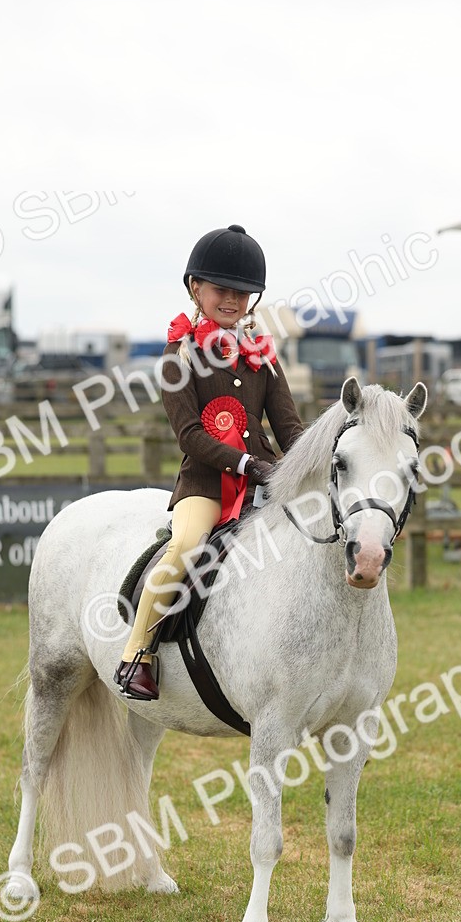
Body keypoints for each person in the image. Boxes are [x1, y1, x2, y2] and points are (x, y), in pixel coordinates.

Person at [114, 223, 305, 700]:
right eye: (221, 289)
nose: (232, 300)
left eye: (242, 293)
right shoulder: (177, 356)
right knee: (185, 547)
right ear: (195, 288)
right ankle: (137, 655)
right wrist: (246, 464)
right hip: (204, 485)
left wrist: (311, 461)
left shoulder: (262, 355)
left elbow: (289, 429)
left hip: (265, 484)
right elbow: (190, 436)